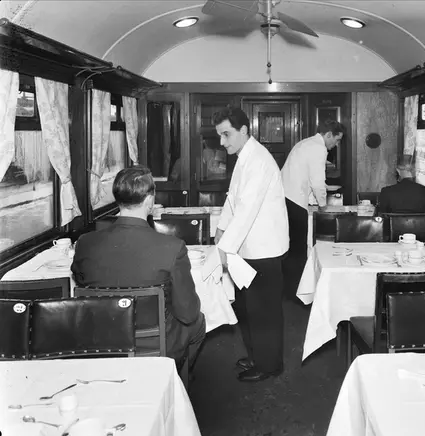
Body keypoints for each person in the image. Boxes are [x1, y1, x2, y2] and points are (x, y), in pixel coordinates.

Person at [71, 166, 206, 377]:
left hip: (101, 340)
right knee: (198, 323)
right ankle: (173, 381)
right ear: (149, 200)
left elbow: (80, 282)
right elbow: (187, 313)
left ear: (117, 199)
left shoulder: (85, 243)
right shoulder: (172, 247)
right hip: (154, 344)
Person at [212, 107, 289, 382]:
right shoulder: (244, 156)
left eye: (226, 134)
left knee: (264, 311)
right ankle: (258, 356)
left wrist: (224, 247)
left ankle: (269, 365)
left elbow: (247, 209)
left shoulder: (258, 160)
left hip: (264, 248)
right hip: (249, 246)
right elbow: (233, 198)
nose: (222, 142)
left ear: (244, 130)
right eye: (220, 135)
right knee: (251, 308)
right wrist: (221, 229)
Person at [281, 120, 345, 266]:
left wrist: (316, 197)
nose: (337, 144)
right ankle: (299, 279)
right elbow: (317, 182)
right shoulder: (319, 148)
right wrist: (323, 205)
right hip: (294, 201)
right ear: (329, 135)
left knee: (292, 246)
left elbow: (306, 176)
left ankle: (293, 277)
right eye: (337, 140)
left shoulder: (306, 143)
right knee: (298, 248)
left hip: (286, 198)